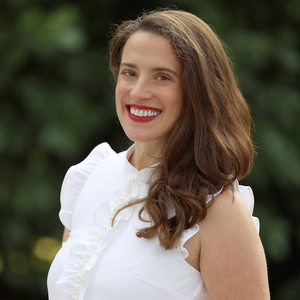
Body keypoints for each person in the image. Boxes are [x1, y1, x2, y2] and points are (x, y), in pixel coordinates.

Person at [47, 8, 270, 300]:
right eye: (130, 72)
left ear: (197, 92)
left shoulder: (219, 211)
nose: (138, 92)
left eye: (162, 77)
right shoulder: (89, 177)